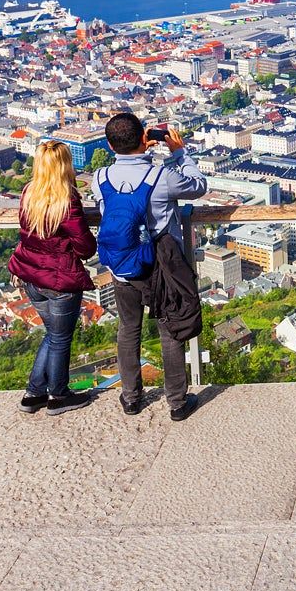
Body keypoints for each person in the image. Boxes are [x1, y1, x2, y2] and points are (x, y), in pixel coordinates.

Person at [93, 112, 208, 422]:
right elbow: (198, 185)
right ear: (144, 139)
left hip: (122, 268)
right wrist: (179, 153)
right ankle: (177, 402)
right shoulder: (161, 176)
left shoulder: (100, 178)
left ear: (109, 145)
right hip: (160, 268)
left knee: (128, 330)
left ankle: (131, 398)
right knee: (170, 330)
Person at [10, 141, 97, 415]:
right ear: (64, 166)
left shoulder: (29, 192)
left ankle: (34, 393)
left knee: (53, 335)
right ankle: (58, 396)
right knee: (60, 339)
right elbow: (85, 246)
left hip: (31, 277)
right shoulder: (66, 200)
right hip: (60, 280)